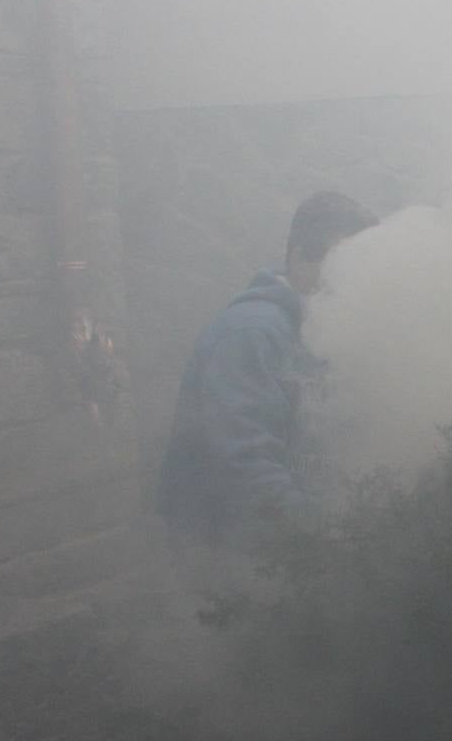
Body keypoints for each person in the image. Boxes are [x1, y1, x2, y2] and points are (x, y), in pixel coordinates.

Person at [157, 190, 379, 558]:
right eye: (345, 268)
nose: (355, 283)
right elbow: (243, 467)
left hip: (290, 549)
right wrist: (326, 540)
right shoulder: (251, 333)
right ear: (298, 258)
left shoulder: (322, 329)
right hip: (227, 558)